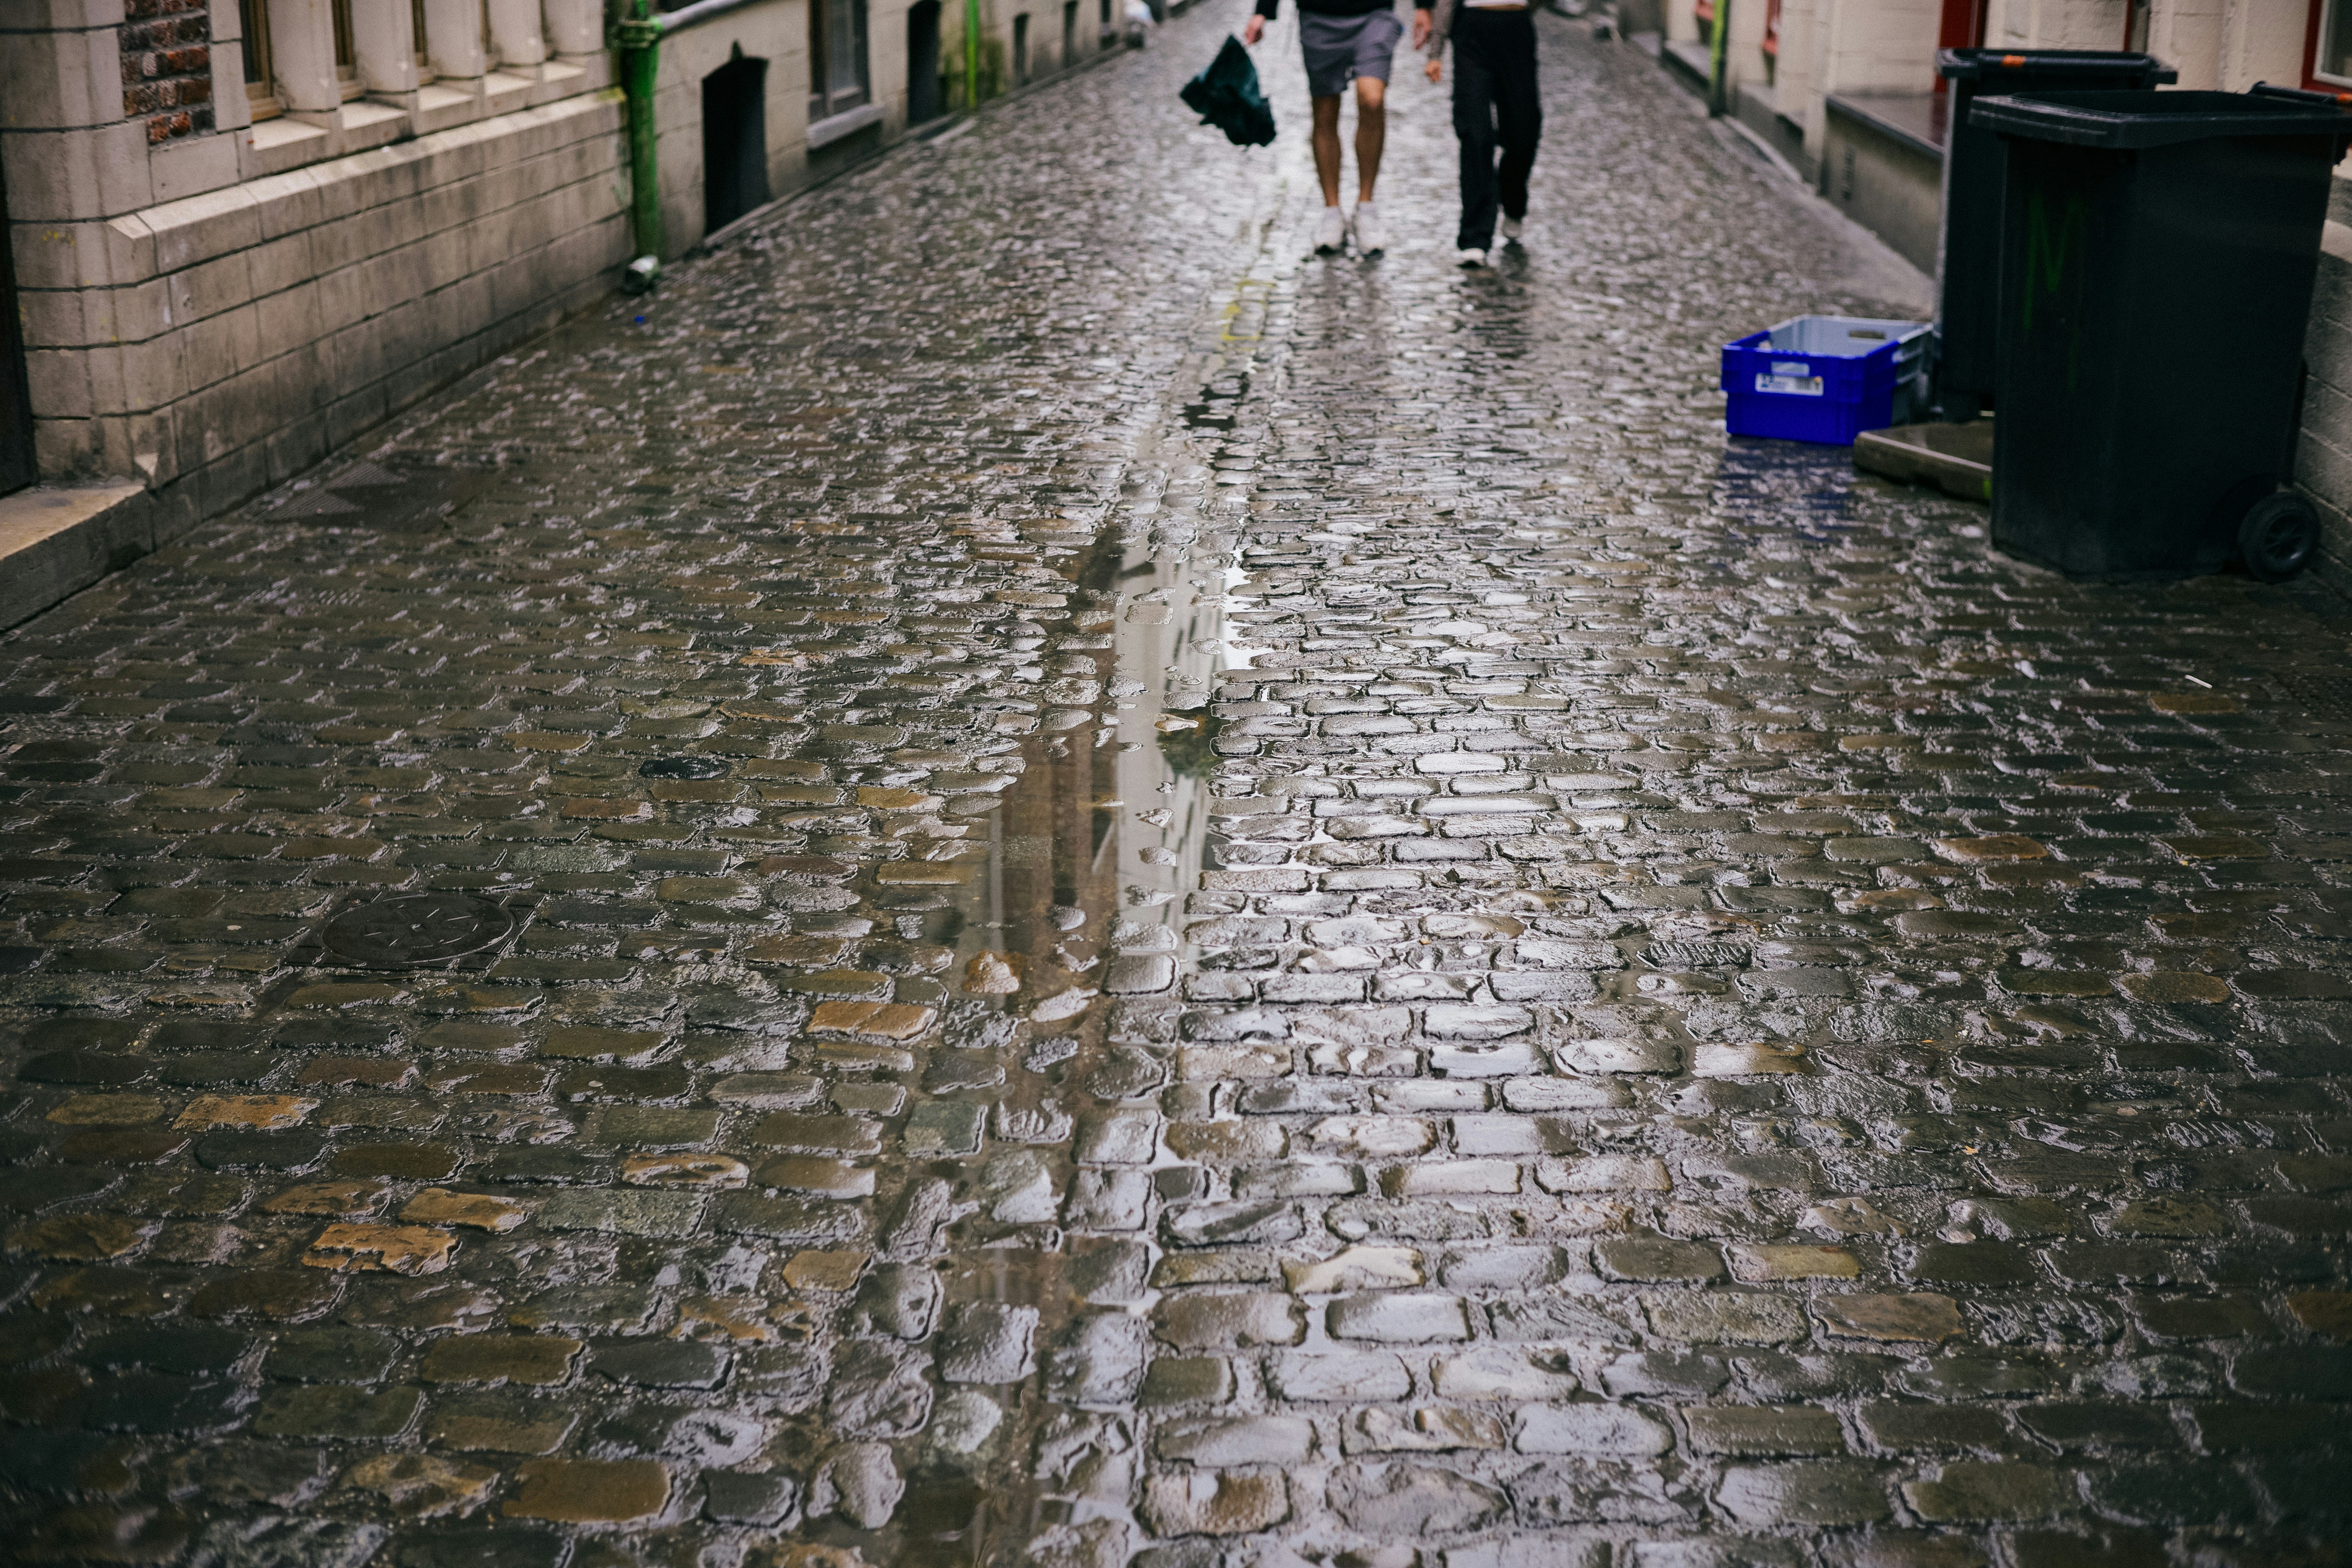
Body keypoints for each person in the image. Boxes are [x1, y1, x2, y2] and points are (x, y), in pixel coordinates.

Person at [1242, 0, 1402, 256]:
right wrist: (1263, 11)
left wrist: (1424, 7)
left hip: (1376, 11)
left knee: (1372, 100)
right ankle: (1332, 210)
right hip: (1318, 14)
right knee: (1325, 111)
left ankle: (1366, 207)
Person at [1418, 0, 1540, 268]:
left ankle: (1513, 200)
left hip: (1516, 28)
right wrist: (1436, 53)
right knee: (1475, 133)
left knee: (1523, 132)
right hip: (1473, 31)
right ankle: (1475, 236)